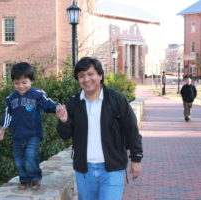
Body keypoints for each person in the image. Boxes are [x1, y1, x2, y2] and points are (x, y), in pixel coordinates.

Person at [56, 57, 143, 200]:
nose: (86, 79)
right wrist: (64, 121)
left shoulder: (117, 99)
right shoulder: (73, 103)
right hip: (84, 170)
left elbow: (131, 130)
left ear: (100, 75)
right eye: (81, 76)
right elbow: (65, 135)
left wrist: (136, 159)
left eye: (90, 74)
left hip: (112, 169)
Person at [0, 62, 60, 190]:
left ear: (32, 80)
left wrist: (58, 108)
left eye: (24, 82)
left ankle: (35, 178)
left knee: (30, 155)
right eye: (17, 83)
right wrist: (2, 129)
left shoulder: (37, 94)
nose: (21, 86)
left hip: (33, 134)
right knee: (19, 160)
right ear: (13, 82)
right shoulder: (11, 98)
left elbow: (48, 104)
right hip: (17, 135)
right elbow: (8, 114)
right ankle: (24, 180)